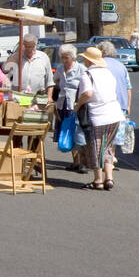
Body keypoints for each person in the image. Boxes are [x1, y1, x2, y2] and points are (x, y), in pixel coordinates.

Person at [76, 47, 123, 190]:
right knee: (108, 146)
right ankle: (109, 179)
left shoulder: (88, 74)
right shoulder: (108, 73)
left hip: (98, 115)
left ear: (88, 60)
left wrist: (78, 105)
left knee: (95, 148)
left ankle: (98, 180)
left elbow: (88, 94)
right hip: (114, 114)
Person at [49, 44, 88, 173]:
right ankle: (75, 162)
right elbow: (54, 81)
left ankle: (82, 162)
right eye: (62, 57)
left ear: (72, 57)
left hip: (75, 105)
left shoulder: (81, 69)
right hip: (62, 104)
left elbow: (86, 86)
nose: (64, 60)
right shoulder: (60, 69)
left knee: (78, 133)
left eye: (66, 57)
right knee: (68, 132)